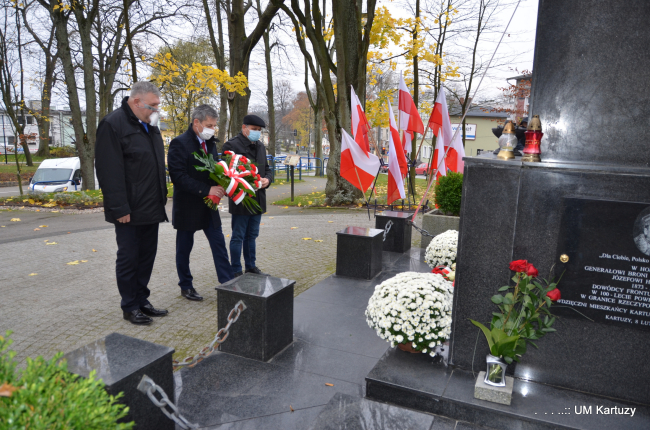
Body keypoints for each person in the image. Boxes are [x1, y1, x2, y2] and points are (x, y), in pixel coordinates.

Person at [95, 81, 169, 325]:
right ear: (136, 102)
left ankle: (141, 300)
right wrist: (119, 208)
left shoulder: (150, 125)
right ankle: (129, 306)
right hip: (129, 209)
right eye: (153, 105)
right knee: (129, 258)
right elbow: (109, 171)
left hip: (151, 205)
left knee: (147, 256)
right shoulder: (112, 124)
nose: (156, 110)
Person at [168, 105, 234, 300]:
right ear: (196, 123)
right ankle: (186, 285)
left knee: (219, 243)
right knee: (184, 248)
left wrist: (226, 185)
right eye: (209, 125)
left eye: (214, 126)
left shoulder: (211, 143)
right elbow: (178, 177)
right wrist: (207, 189)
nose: (212, 129)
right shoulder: (179, 143)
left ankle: (228, 282)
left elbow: (214, 170)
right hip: (188, 206)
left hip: (209, 206)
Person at [222, 114, 272, 277]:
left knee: (252, 235)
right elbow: (227, 173)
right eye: (254, 129)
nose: (257, 133)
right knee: (238, 236)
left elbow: (268, 170)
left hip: (258, 198)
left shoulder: (261, 147)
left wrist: (267, 180)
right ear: (244, 128)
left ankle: (251, 266)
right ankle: (236, 269)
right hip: (241, 199)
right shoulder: (231, 145)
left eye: (259, 130)